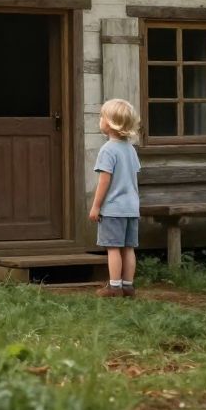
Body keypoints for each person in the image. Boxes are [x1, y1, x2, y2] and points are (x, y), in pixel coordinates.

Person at [89, 98, 141, 298]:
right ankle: (128, 285)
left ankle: (114, 286)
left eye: (101, 117)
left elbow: (104, 181)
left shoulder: (108, 150)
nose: (100, 120)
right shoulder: (130, 149)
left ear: (110, 124)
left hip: (113, 209)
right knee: (128, 248)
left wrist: (96, 206)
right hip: (131, 208)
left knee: (113, 248)